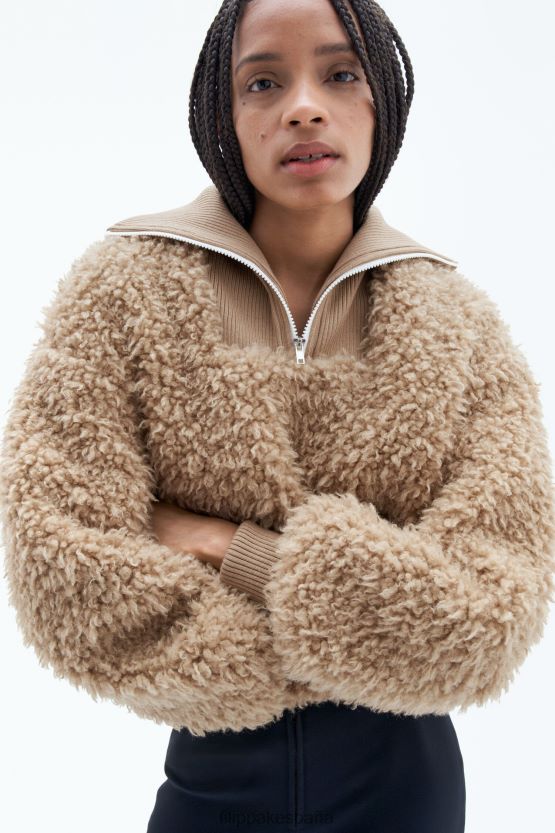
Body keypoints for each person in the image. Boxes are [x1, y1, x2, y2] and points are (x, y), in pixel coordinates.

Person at [1, 1, 554, 831]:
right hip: (212, 775)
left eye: (340, 73)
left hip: (402, 782)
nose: (303, 106)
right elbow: (66, 571)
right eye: (262, 82)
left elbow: (489, 614)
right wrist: (374, 616)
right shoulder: (123, 293)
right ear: (220, 113)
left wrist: (225, 545)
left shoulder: (457, 325)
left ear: (382, 99)